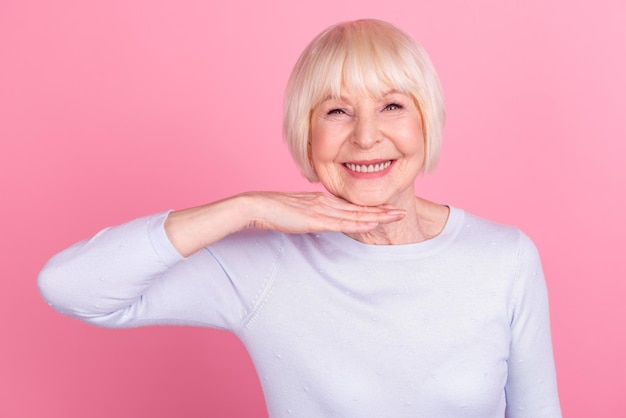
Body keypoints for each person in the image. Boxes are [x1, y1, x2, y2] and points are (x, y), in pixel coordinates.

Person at [38, 19, 561, 417]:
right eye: (336, 111)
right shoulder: (267, 267)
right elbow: (71, 286)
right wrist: (246, 207)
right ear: (306, 137)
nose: (365, 136)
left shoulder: (505, 258)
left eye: (393, 106)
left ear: (428, 122)